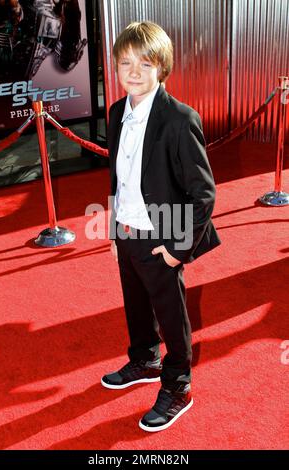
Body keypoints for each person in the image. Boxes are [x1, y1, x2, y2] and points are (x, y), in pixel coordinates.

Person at [102, 21, 221, 432]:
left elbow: (203, 194)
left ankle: (178, 386)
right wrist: (116, 225)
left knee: (171, 313)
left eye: (144, 63)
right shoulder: (117, 111)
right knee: (135, 303)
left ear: (162, 66)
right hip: (127, 230)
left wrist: (177, 248)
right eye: (125, 63)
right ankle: (145, 359)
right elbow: (121, 174)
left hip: (162, 237)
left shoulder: (179, 119)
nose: (133, 72)